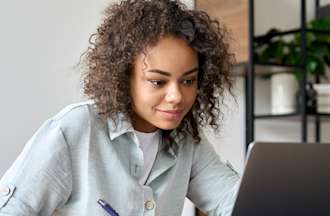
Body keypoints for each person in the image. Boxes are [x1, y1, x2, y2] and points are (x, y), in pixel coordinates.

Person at [0, 0, 239, 215]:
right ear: (124, 78)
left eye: (188, 81)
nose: (176, 96)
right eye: (158, 82)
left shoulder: (187, 140)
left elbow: (233, 203)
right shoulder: (75, 129)